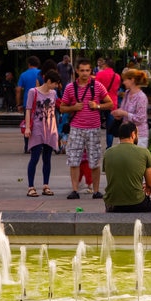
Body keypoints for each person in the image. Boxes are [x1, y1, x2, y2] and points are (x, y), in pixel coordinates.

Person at [58, 57, 113, 200]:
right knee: (74, 160)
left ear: (91, 71)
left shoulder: (97, 86)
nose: (85, 73)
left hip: (94, 128)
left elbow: (110, 103)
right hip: (76, 128)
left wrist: (97, 106)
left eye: (87, 70)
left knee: (94, 160)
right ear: (76, 71)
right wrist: (73, 108)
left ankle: (96, 190)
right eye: (82, 70)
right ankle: (75, 190)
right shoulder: (70, 88)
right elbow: (62, 108)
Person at [23, 70, 62, 197]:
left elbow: (54, 110)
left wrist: (56, 131)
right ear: (49, 81)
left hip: (50, 128)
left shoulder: (53, 93)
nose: (56, 86)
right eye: (55, 83)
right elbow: (28, 110)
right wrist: (28, 128)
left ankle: (46, 185)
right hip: (37, 128)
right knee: (34, 157)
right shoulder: (33, 92)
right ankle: (31, 186)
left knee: (47, 158)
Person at [102, 122, 151, 213]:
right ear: (133, 134)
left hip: (113, 203)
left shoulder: (108, 153)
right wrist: (147, 187)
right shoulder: (144, 152)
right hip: (137, 202)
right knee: (150, 205)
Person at [110, 68, 150, 148]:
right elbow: (123, 109)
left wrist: (124, 113)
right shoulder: (127, 93)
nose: (123, 82)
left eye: (125, 80)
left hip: (138, 135)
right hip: (125, 134)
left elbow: (140, 118)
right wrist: (118, 114)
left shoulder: (141, 97)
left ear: (132, 80)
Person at [95, 58, 121, 148]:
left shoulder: (100, 74)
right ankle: (109, 146)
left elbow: (96, 88)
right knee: (110, 126)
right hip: (112, 103)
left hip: (100, 102)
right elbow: (116, 89)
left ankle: (95, 144)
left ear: (106, 65)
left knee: (96, 124)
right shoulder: (117, 76)